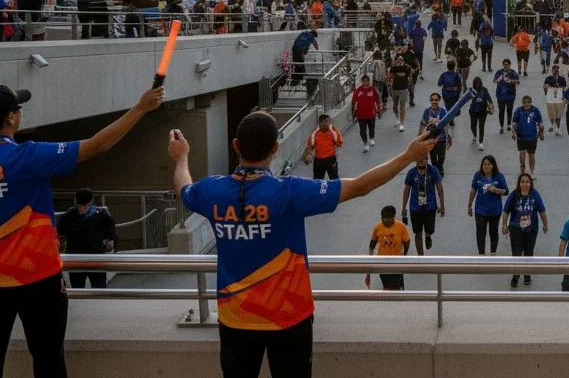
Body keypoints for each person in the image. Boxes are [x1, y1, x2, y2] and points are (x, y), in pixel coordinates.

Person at [170, 111, 433, 378]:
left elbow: (183, 189)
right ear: (275, 148)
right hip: (289, 319)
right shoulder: (290, 191)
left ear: (236, 145)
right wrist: (408, 156)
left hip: (235, 319)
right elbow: (360, 186)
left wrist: (182, 157)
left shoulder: (212, 190)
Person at [0, 84, 163, 378]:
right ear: (11, 118)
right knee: (48, 359)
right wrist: (141, 108)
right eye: (18, 108)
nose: (20, 113)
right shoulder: (29, 156)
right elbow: (97, 146)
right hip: (38, 278)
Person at [56, 188, 117, 290]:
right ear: (91, 201)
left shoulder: (68, 216)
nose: (82, 209)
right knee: (96, 288)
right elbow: (111, 231)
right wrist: (110, 240)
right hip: (93, 257)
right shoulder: (100, 215)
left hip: (78, 257)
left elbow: (60, 233)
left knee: (80, 288)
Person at [501, 172, 548, 287]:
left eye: (527, 182)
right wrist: (504, 225)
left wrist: (545, 223)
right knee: (516, 253)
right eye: (522, 182)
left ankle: (527, 274)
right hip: (516, 229)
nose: (524, 184)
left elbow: (541, 210)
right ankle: (516, 275)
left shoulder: (535, 195)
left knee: (528, 253)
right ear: (519, 183)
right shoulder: (514, 195)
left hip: (531, 230)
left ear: (530, 184)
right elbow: (506, 211)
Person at [401, 157, 445, 255]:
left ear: (427, 160)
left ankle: (428, 235)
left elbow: (439, 188)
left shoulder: (433, 171)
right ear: (415, 161)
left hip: (430, 206)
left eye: (424, 160)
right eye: (419, 160)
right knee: (418, 232)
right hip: (415, 207)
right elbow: (407, 190)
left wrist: (442, 205)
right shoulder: (411, 173)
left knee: (429, 229)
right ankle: (420, 257)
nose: (422, 162)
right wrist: (404, 207)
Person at [467, 155, 508, 255]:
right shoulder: (477, 175)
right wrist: (469, 205)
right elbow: (473, 191)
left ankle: (493, 253)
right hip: (480, 211)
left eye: (489, 164)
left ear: (493, 165)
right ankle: (481, 254)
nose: (486, 166)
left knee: (493, 232)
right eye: (484, 164)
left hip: (495, 211)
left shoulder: (499, 176)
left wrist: (495, 190)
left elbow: (506, 191)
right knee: (480, 233)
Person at [368, 205, 411, 291]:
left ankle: (399, 295)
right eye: (383, 218)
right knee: (386, 285)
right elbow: (372, 245)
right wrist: (370, 260)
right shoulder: (377, 227)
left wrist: (404, 256)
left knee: (397, 286)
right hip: (382, 262)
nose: (385, 221)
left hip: (397, 262)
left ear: (393, 217)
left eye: (388, 219)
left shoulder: (401, 227)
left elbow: (407, 242)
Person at [511, 95, 545, 178]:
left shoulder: (535, 110)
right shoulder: (519, 111)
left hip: (532, 137)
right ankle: (522, 169)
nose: (526, 104)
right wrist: (513, 132)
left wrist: (542, 133)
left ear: (531, 102)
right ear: (522, 103)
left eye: (528, 102)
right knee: (522, 154)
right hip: (521, 136)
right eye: (524, 102)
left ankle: (531, 172)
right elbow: (514, 122)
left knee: (531, 155)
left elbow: (540, 123)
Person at [301, 114, 343, 179]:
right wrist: (306, 155)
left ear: (329, 122)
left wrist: (335, 150)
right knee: (317, 181)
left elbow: (339, 143)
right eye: (322, 122)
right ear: (319, 123)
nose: (324, 124)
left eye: (326, 121)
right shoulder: (315, 133)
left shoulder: (334, 131)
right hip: (318, 160)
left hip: (331, 159)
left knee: (334, 179)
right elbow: (310, 146)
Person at [418, 93, 451, 176]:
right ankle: (435, 170)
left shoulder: (442, 111)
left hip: (441, 138)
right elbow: (423, 123)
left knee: (441, 156)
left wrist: (447, 136)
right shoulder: (427, 111)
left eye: (436, 100)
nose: (434, 102)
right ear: (430, 101)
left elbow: (446, 125)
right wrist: (420, 137)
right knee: (432, 155)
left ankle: (440, 167)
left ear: (439, 101)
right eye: (432, 100)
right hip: (430, 138)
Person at [350, 75, 382, 153]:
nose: (365, 82)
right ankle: (365, 144)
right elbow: (353, 102)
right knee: (362, 131)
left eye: (367, 81)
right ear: (361, 82)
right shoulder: (358, 91)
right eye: (364, 81)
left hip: (371, 114)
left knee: (371, 128)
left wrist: (379, 110)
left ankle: (371, 138)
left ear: (369, 81)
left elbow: (377, 99)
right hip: (361, 115)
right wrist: (353, 114)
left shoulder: (372, 90)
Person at [467, 76, 494, 150]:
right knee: (473, 125)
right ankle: (474, 135)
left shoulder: (484, 90)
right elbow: (465, 99)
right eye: (475, 83)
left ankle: (481, 142)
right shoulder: (471, 90)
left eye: (478, 83)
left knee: (481, 126)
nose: (477, 84)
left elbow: (490, 100)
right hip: (473, 111)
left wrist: (491, 108)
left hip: (483, 111)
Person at [493, 58, 520, 133]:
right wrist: (498, 79)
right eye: (505, 65)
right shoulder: (499, 72)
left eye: (507, 65)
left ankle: (508, 124)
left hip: (510, 95)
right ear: (503, 65)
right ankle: (501, 126)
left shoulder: (513, 72)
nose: (506, 66)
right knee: (501, 111)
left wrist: (510, 80)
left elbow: (518, 82)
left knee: (509, 110)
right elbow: (494, 81)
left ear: (510, 65)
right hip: (500, 96)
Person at [388, 55, 412, 132]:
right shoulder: (393, 68)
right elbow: (390, 77)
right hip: (395, 89)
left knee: (402, 107)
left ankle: (401, 123)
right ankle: (397, 118)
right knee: (395, 106)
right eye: (398, 60)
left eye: (401, 59)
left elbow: (410, 76)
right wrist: (390, 84)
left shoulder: (407, 68)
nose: (400, 61)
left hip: (403, 89)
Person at [543, 63, 568, 137]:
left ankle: (558, 127)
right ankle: (553, 124)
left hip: (559, 98)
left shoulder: (562, 79)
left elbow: (564, 88)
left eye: (557, 70)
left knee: (558, 113)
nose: (556, 71)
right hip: (551, 98)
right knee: (552, 112)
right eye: (554, 70)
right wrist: (547, 94)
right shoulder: (548, 78)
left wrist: (564, 96)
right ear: (552, 70)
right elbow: (545, 87)